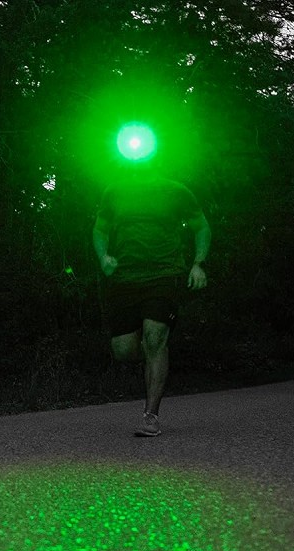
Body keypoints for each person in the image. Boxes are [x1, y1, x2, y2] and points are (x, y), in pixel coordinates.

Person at [93, 165, 211, 437]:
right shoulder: (115, 191)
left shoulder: (175, 191)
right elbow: (100, 229)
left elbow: (201, 225)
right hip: (125, 278)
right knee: (123, 350)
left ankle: (150, 416)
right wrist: (103, 256)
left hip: (164, 274)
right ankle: (157, 361)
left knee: (154, 338)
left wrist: (199, 263)